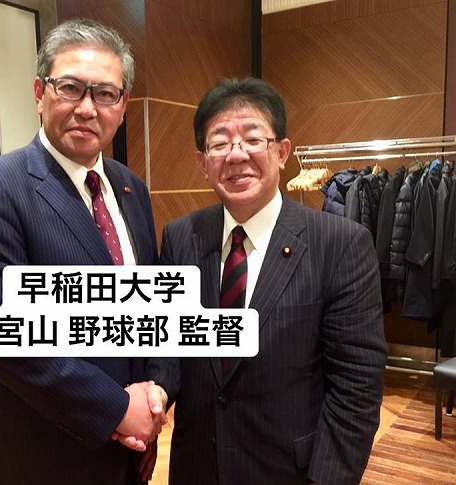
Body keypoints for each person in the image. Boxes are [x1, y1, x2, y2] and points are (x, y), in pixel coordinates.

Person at [0, 18, 166, 485]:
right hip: (35, 453)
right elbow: (0, 334)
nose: (87, 108)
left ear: (123, 106)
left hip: (127, 450)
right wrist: (117, 409)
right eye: (70, 88)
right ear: (39, 93)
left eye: (105, 94)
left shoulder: (132, 189)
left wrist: (157, 393)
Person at [147, 77, 388, 485]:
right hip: (197, 467)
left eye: (253, 139)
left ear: (282, 152)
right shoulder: (181, 236)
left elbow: (357, 388)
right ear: (202, 162)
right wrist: (157, 390)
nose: (236, 154)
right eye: (219, 143)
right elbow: (167, 343)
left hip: (291, 472)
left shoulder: (340, 243)